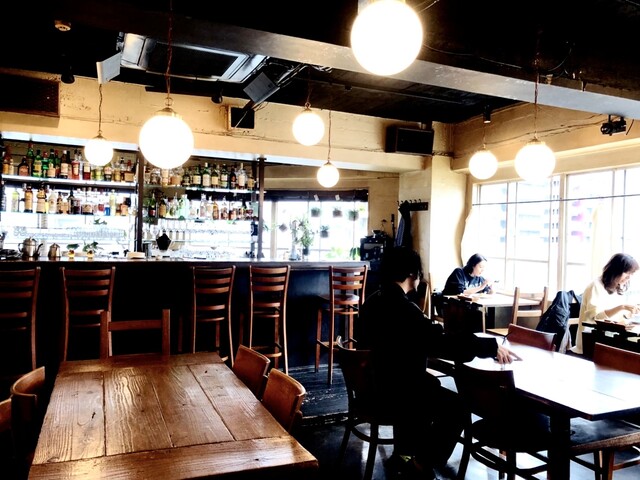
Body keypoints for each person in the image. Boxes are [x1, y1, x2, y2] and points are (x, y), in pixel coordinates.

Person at [358, 246, 516, 479]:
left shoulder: (373, 302)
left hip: (372, 387)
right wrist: (488, 347)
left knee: (428, 388)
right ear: (412, 274)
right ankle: (421, 462)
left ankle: (406, 454)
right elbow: (442, 343)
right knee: (457, 408)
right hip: (395, 393)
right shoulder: (404, 309)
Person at [570, 253, 640, 355]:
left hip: (609, 338)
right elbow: (597, 317)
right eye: (626, 273)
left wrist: (629, 314)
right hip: (590, 341)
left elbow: (617, 317)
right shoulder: (595, 286)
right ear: (615, 270)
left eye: (631, 274)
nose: (629, 277)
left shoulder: (617, 287)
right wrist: (622, 307)